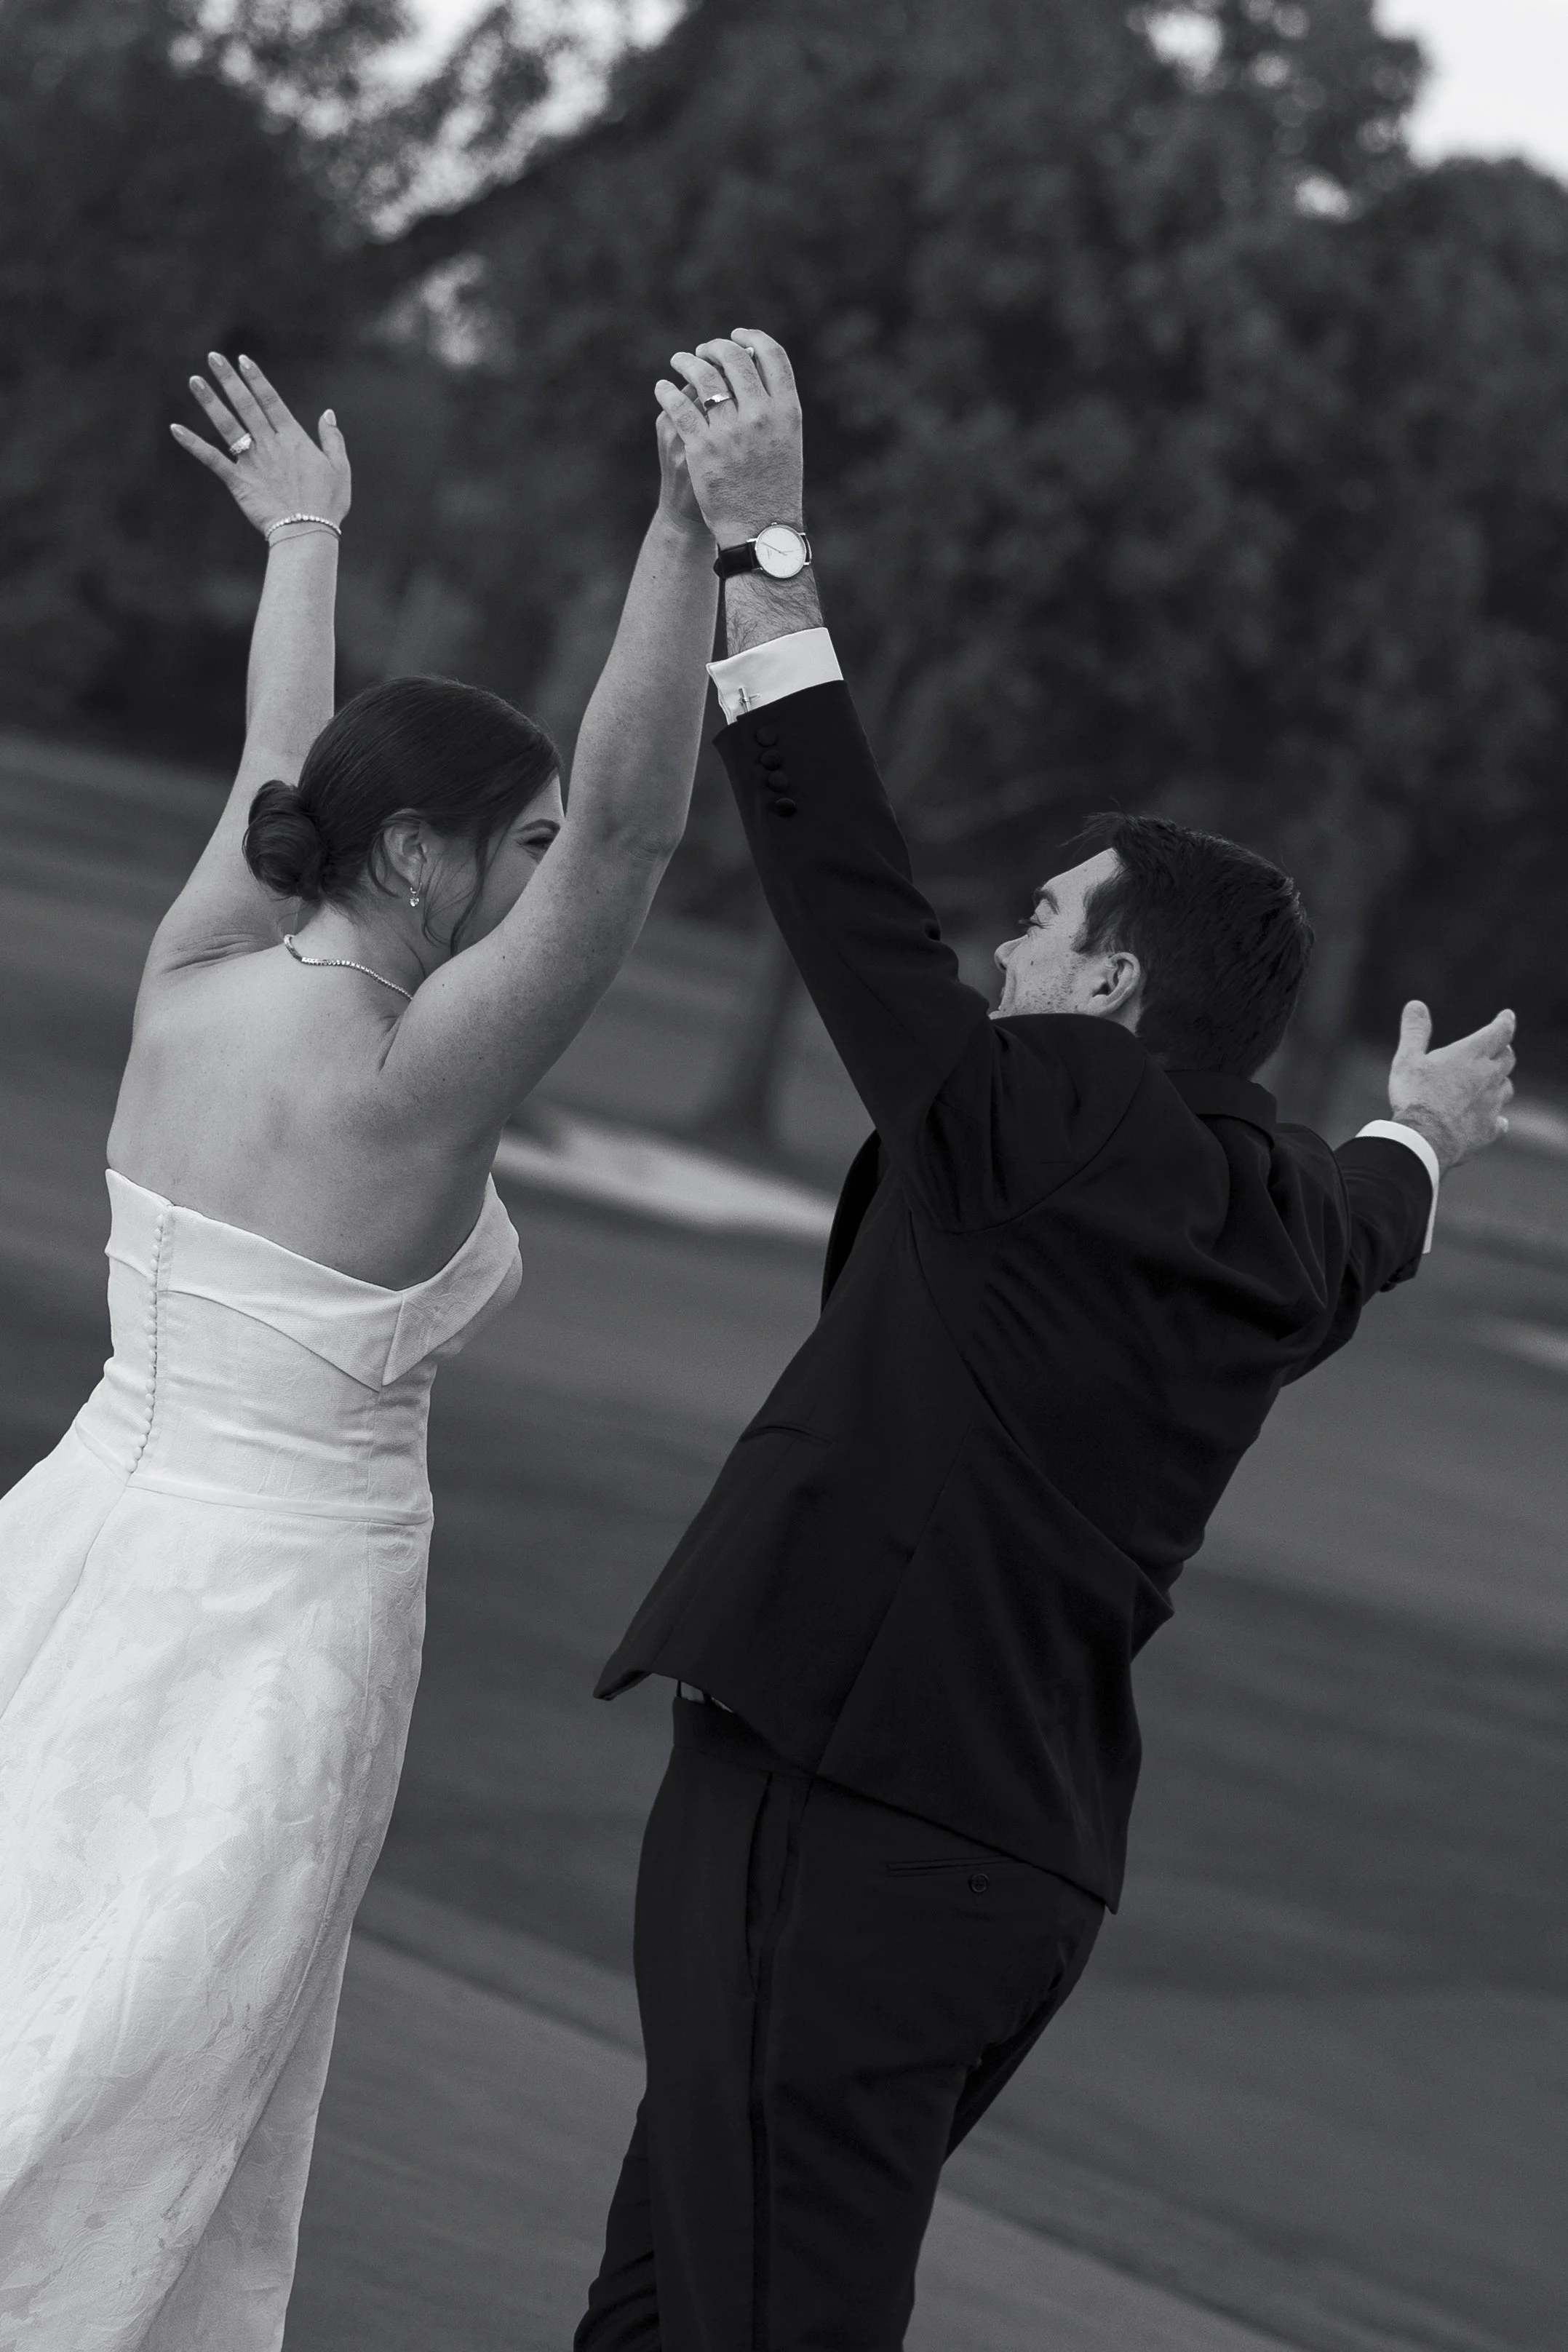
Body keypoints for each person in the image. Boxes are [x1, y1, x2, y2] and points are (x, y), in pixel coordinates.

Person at [577, 329, 1518, 2351]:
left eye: (1047, 918)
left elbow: (845, 885)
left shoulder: (1052, 1121)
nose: (1005, 942)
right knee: (662, 2314)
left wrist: (771, 549)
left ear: (1106, 998)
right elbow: (1376, 1221)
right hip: (1008, 1871)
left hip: (844, 1822)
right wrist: (1419, 1140)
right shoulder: (1272, 1210)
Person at [0, 355, 717, 2346]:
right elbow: (640, 848)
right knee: (134, 2064)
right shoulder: (410, 1078)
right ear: (424, 858)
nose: (545, 876)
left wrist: (306, 539)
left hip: (65, 1549)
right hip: (273, 1628)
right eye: (520, 844)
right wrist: (686, 538)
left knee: (40, 1969)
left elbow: (280, 766)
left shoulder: (198, 972)